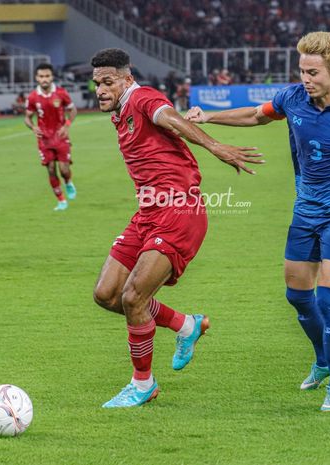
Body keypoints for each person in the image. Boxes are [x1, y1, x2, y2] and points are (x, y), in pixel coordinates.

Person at [185, 31, 330, 412]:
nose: (305, 78)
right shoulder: (292, 98)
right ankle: (321, 360)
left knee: (329, 300)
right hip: (306, 210)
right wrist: (209, 116)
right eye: (301, 69)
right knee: (298, 296)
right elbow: (255, 114)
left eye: (313, 72)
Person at [90, 48, 263, 408]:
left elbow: (168, 117)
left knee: (134, 296)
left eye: (108, 82)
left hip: (178, 209)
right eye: (96, 84)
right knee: (107, 295)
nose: (101, 90)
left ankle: (143, 384)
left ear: (126, 78)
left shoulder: (141, 98)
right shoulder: (121, 112)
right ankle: (186, 325)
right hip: (148, 212)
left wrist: (216, 146)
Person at [24, 63, 78, 211]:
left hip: (60, 137)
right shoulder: (33, 97)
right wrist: (33, 127)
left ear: (52, 77)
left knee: (64, 169)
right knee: (51, 170)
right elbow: (27, 117)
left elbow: (73, 111)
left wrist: (67, 125)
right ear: (36, 78)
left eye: (47, 76)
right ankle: (61, 201)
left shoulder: (61, 93)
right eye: (41, 76)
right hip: (44, 139)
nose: (44, 79)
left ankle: (68, 182)